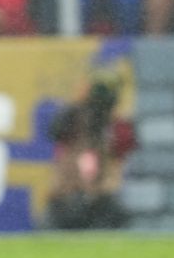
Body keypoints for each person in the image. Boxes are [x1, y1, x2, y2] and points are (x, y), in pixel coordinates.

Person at [46, 69, 136, 230]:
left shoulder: (114, 123)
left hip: (101, 194)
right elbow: (56, 131)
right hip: (68, 193)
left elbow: (125, 144)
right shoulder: (73, 116)